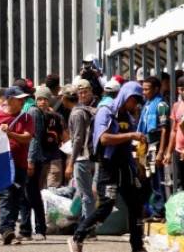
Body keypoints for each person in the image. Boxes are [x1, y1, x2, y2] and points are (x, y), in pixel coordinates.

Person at [68, 82, 146, 252]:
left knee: (135, 205)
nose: (135, 104)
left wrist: (137, 162)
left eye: (138, 101)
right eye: (133, 99)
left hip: (126, 166)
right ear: (125, 96)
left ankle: (137, 245)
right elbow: (103, 138)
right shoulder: (106, 110)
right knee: (106, 206)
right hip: (108, 166)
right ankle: (78, 236)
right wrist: (131, 135)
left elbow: (126, 144)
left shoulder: (129, 115)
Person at [0, 86, 33, 246]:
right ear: (9, 99)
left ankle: (9, 229)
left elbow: (27, 138)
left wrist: (10, 134)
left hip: (20, 164)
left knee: (17, 197)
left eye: (23, 99)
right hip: (2, 165)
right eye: (18, 98)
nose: (22, 101)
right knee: (6, 196)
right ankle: (6, 230)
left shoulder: (27, 117)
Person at [138, 76, 170, 221]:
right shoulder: (147, 105)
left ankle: (160, 212)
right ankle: (154, 211)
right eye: (143, 89)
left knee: (159, 180)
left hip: (156, 147)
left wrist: (161, 152)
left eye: (147, 89)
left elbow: (164, 130)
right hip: (147, 148)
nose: (144, 92)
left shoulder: (161, 105)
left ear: (156, 89)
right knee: (151, 180)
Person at [65, 79, 96, 226]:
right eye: (80, 92)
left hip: (83, 158)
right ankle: (82, 222)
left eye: (85, 91)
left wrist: (71, 163)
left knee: (86, 195)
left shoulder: (77, 113)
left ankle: (87, 227)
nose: (83, 95)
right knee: (86, 194)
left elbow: (77, 139)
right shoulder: (89, 109)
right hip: (92, 157)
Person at [19, 86, 48, 241]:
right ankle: (25, 229)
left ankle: (40, 229)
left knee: (33, 195)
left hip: (33, 159)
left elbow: (34, 138)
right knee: (25, 196)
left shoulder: (32, 111)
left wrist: (30, 160)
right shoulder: (27, 109)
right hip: (26, 158)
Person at [36, 86, 65, 189]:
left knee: (54, 187)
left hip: (54, 156)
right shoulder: (32, 116)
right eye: (39, 99)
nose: (42, 102)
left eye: (45, 99)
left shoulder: (56, 117)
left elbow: (63, 136)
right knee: (39, 188)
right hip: (39, 158)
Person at [164, 76, 184, 190]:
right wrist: (168, 152)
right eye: (182, 89)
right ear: (179, 90)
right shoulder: (176, 106)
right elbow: (174, 130)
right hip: (179, 152)